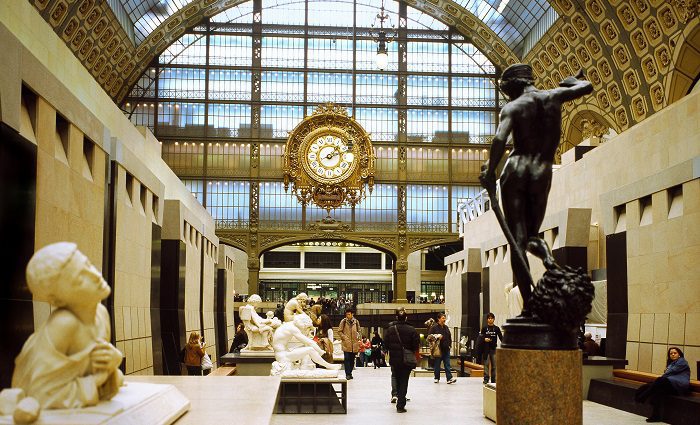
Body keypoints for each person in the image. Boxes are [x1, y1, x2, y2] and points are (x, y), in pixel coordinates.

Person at [479, 63, 593, 317]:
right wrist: (570, 82)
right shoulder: (553, 96)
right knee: (532, 235)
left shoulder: (513, 107)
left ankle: (528, 308)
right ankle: (547, 259)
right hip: (543, 172)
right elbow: (587, 86)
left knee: (518, 241)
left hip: (516, 171)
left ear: (514, 87)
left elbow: (500, 138)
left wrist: (489, 171)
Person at [12, 242, 124, 410]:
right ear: (58, 301)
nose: (95, 275)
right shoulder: (64, 324)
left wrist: (113, 361)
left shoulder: (101, 314)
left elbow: (89, 373)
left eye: (88, 264)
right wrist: (97, 380)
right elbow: (40, 394)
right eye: (80, 279)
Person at [271, 313, 340, 374]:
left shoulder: (288, 325)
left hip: (283, 353)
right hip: (283, 357)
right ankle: (328, 365)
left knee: (306, 346)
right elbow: (308, 341)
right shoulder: (293, 329)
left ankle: (305, 366)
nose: (304, 329)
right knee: (310, 349)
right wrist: (321, 351)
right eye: (305, 327)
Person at [635, 347, 691, 422]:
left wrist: (660, 378)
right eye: (671, 353)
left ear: (679, 354)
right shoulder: (671, 363)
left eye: (675, 353)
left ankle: (642, 397)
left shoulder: (682, 361)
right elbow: (667, 373)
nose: (673, 354)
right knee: (656, 391)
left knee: (659, 381)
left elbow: (669, 373)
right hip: (671, 384)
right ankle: (656, 416)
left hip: (679, 386)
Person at [384, 308, 420, 413]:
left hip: (395, 359)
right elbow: (415, 345)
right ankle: (400, 404)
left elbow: (386, 343)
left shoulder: (391, 329)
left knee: (396, 377)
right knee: (404, 380)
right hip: (407, 360)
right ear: (406, 317)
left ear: (396, 317)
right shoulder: (412, 329)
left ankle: (395, 394)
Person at [429, 312, 457, 384]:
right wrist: (437, 337)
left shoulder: (446, 327)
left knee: (447, 364)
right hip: (438, 349)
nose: (444, 319)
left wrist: (450, 345)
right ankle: (436, 377)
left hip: (446, 349)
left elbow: (449, 337)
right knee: (437, 364)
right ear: (439, 319)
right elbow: (430, 337)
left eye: (445, 318)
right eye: (443, 318)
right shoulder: (434, 327)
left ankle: (449, 378)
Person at [338, 307, 361, 380]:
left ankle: (350, 372)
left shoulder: (356, 322)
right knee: (347, 359)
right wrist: (344, 337)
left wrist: (358, 338)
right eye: (346, 314)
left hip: (354, 344)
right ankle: (347, 374)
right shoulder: (343, 321)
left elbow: (359, 331)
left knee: (352, 360)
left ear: (352, 314)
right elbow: (339, 331)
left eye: (349, 314)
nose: (347, 316)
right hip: (346, 344)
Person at [480, 312, 503, 384]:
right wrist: (484, 339)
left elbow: (501, 338)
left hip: (493, 349)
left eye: (491, 318)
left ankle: (493, 379)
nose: (490, 320)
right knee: (486, 365)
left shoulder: (496, 328)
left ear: (494, 319)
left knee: (494, 366)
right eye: (489, 318)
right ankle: (486, 379)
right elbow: (480, 338)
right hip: (486, 349)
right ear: (487, 320)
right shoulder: (484, 328)